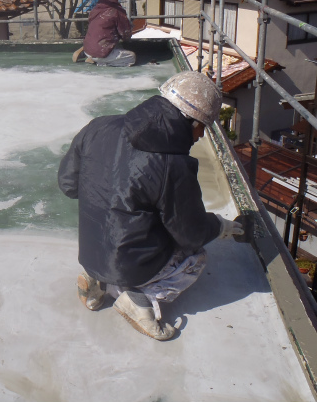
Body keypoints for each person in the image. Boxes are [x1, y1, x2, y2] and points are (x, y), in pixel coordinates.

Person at [58, 71, 244, 341]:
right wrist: (219, 226)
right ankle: (138, 299)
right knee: (195, 259)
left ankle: (98, 280)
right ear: (190, 122)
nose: (202, 135)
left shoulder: (98, 127)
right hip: (130, 266)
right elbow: (190, 234)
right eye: (204, 126)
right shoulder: (174, 165)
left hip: (90, 253)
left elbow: (68, 185)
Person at [73, 0, 135, 67]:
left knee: (110, 41)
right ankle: (101, 61)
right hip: (103, 51)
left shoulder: (95, 9)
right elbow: (125, 34)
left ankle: (89, 54)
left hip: (89, 47)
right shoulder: (117, 11)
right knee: (131, 57)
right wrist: (129, 28)